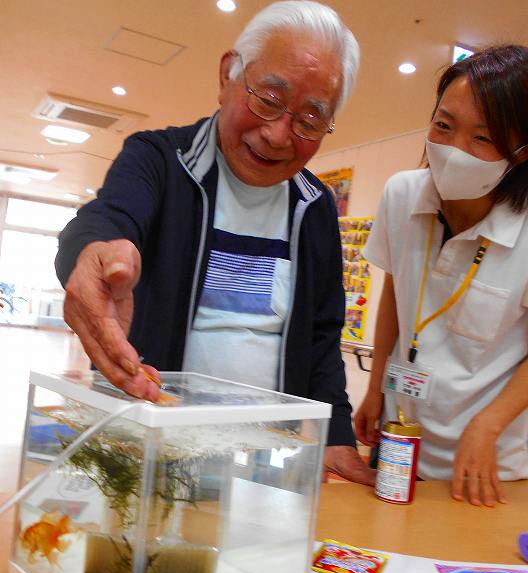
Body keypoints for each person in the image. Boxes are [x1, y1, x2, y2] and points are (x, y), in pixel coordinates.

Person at [55, 1, 375, 486]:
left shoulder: (315, 208)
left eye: (310, 120)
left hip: (264, 470)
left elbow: (323, 336)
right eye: (268, 98)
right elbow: (107, 218)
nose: (277, 135)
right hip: (146, 455)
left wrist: (335, 435)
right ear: (229, 75)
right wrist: (95, 250)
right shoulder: (160, 159)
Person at [356, 45, 528, 506]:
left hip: (489, 467)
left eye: (483, 138)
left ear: (520, 152)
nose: (454, 151)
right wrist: (375, 387)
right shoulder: (401, 194)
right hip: (398, 442)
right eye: (444, 126)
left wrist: (488, 424)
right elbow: (396, 291)